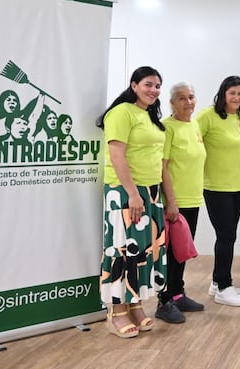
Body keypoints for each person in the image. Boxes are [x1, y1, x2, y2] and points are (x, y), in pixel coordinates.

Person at [97, 66, 167, 339]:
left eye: (158, 86)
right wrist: (133, 193)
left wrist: (149, 194)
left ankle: (135, 304)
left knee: (144, 252)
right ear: (134, 85)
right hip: (125, 191)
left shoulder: (148, 115)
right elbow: (117, 155)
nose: (154, 90)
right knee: (120, 251)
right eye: (148, 84)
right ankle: (116, 312)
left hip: (150, 191)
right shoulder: (121, 113)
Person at [155, 82, 208, 324]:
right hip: (175, 201)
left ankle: (178, 294)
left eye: (191, 97)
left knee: (182, 253)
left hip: (194, 198)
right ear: (172, 103)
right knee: (172, 254)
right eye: (182, 98)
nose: (188, 102)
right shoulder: (167, 127)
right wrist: (171, 202)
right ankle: (164, 302)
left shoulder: (194, 125)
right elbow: (163, 167)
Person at [197, 75, 240, 307]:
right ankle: (223, 287)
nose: (236, 97)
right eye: (232, 93)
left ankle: (216, 282)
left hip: (237, 185)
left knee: (228, 235)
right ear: (223, 94)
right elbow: (191, 139)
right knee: (226, 235)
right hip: (215, 186)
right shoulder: (207, 116)